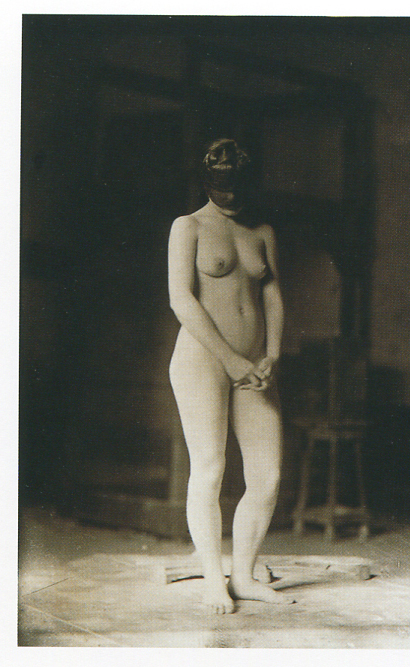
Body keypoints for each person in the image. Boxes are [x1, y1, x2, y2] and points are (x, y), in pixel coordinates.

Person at [168, 138, 293, 614]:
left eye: (238, 188)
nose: (232, 197)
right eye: (222, 189)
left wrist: (272, 354)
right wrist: (229, 358)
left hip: (254, 364)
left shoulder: (262, 231)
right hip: (202, 360)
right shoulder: (188, 227)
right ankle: (212, 578)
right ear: (206, 183)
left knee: (267, 473)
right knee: (210, 467)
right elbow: (181, 299)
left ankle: (242, 574)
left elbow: (273, 295)